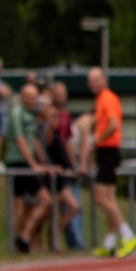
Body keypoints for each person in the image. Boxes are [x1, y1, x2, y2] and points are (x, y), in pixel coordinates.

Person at [84, 67, 136, 257]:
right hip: (107, 151)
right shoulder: (100, 99)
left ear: (104, 80)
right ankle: (109, 243)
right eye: (90, 81)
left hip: (108, 150)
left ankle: (127, 233)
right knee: (109, 199)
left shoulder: (107, 98)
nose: (93, 84)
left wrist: (96, 139)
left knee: (100, 197)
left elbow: (113, 124)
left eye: (96, 80)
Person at [5, 82, 52, 253]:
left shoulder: (30, 115)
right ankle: (16, 240)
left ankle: (23, 237)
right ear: (23, 98)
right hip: (18, 162)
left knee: (41, 202)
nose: (33, 101)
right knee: (20, 205)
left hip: (28, 163)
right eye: (30, 97)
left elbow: (33, 141)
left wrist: (43, 162)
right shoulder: (17, 114)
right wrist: (33, 165)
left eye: (35, 97)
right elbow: (20, 140)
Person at [46, 81, 83, 250]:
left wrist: (72, 164)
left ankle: (64, 238)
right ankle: (56, 238)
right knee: (63, 204)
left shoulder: (65, 115)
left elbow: (67, 141)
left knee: (72, 205)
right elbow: (44, 141)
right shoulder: (47, 113)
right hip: (51, 163)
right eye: (57, 93)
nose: (60, 97)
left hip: (63, 164)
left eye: (63, 93)